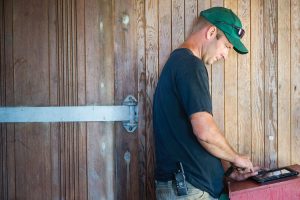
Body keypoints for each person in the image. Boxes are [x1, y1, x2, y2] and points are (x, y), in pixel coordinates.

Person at [153, 7, 259, 200]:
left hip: (186, 187)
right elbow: (204, 131)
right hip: (188, 190)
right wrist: (237, 158)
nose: (226, 56)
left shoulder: (178, 63)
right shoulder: (190, 65)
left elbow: (193, 138)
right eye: (227, 46)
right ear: (211, 32)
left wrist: (228, 173)